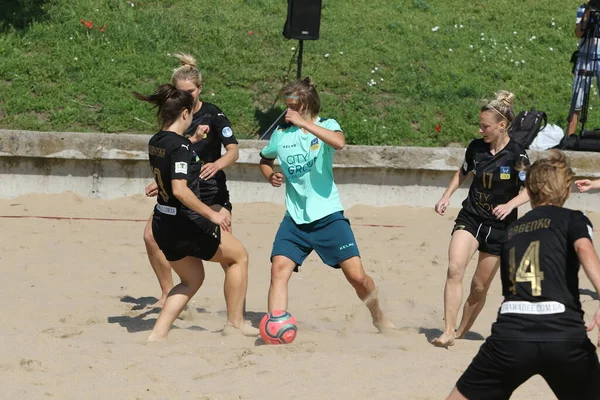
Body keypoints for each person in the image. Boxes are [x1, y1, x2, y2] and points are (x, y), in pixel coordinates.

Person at [445, 150, 600, 400]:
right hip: (562, 331)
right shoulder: (573, 219)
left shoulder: (512, 230)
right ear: (567, 192)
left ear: (528, 190)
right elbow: (583, 248)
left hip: (511, 333)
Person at [258, 77, 394, 333]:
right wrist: (270, 174)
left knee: (357, 277)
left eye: (292, 105)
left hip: (328, 216)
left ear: (306, 104)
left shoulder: (326, 126)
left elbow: (340, 143)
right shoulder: (280, 135)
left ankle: (378, 316)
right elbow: (264, 160)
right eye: (286, 104)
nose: (287, 110)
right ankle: (276, 327)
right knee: (279, 269)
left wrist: (304, 124)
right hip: (295, 219)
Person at [134, 83, 257, 341]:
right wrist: (212, 215)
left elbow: (174, 156)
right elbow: (180, 189)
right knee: (239, 257)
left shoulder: (156, 141)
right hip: (186, 223)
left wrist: (192, 141)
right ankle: (235, 323)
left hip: (162, 223)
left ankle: (157, 334)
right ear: (185, 114)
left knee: (192, 280)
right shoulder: (181, 147)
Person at [432, 90, 531, 347]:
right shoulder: (476, 148)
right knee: (455, 268)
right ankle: (448, 330)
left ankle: (462, 331)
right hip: (472, 217)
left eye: (485, 126)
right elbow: (462, 172)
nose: (480, 130)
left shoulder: (517, 155)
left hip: (500, 228)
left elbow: (531, 189)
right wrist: (446, 196)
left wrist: (510, 204)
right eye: (480, 125)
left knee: (478, 287)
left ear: (501, 125)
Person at [143, 53, 240, 308]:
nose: (186, 95)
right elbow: (174, 157)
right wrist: (162, 180)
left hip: (210, 192)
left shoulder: (213, 115)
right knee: (150, 236)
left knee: (230, 253)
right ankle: (167, 294)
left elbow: (233, 150)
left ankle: (235, 312)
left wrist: (217, 164)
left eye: (190, 91)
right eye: (179, 91)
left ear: (200, 89)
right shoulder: (174, 117)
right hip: (182, 193)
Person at [567, 1, 600, 135]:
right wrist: (587, 13)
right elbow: (578, 33)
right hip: (584, 55)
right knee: (577, 100)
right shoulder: (583, 9)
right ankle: (569, 138)